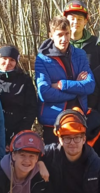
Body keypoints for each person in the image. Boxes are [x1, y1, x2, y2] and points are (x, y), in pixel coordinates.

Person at [35, 16, 95, 145]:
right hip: (54, 120)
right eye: (60, 35)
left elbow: (90, 86)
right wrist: (78, 88)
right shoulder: (42, 59)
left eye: (67, 34)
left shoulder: (80, 54)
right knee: (54, 161)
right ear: (51, 35)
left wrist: (62, 85)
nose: (64, 39)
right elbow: (45, 92)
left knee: (77, 160)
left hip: (78, 117)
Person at [0, 45, 38, 144]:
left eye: (12, 60)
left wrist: (19, 134)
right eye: (4, 58)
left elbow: (31, 108)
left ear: (16, 62)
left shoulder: (24, 80)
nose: (8, 63)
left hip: (18, 132)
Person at [64, 0, 100, 70]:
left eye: (79, 19)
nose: (76, 22)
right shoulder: (59, 44)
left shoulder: (97, 44)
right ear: (65, 20)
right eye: (72, 19)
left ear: (85, 21)